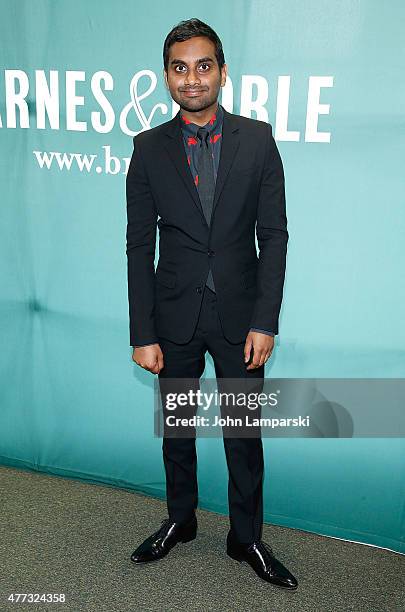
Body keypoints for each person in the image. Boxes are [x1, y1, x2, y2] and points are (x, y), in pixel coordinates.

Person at [126, 18, 297, 590]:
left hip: (240, 319)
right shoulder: (147, 149)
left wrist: (265, 320)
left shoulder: (258, 139)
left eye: (203, 66)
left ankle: (246, 535)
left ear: (223, 72)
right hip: (173, 318)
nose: (192, 79)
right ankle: (181, 519)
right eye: (180, 68)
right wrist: (142, 330)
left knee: (243, 433)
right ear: (167, 77)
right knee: (177, 426)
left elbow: (273, 235)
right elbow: (137, 242)